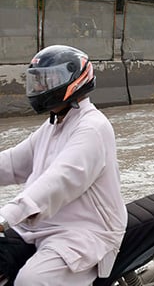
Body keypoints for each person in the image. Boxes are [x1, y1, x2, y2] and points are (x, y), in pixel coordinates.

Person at [0, 45, 127, 285]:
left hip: (84, 230)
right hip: (43, 225)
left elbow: (58, 182)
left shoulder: (92, 127)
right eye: (37, 81)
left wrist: (6, 215)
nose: (39, 88)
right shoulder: (54, 124)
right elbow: (14, 162)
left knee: (31, 281)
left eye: (47, 81)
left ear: (74, 81)